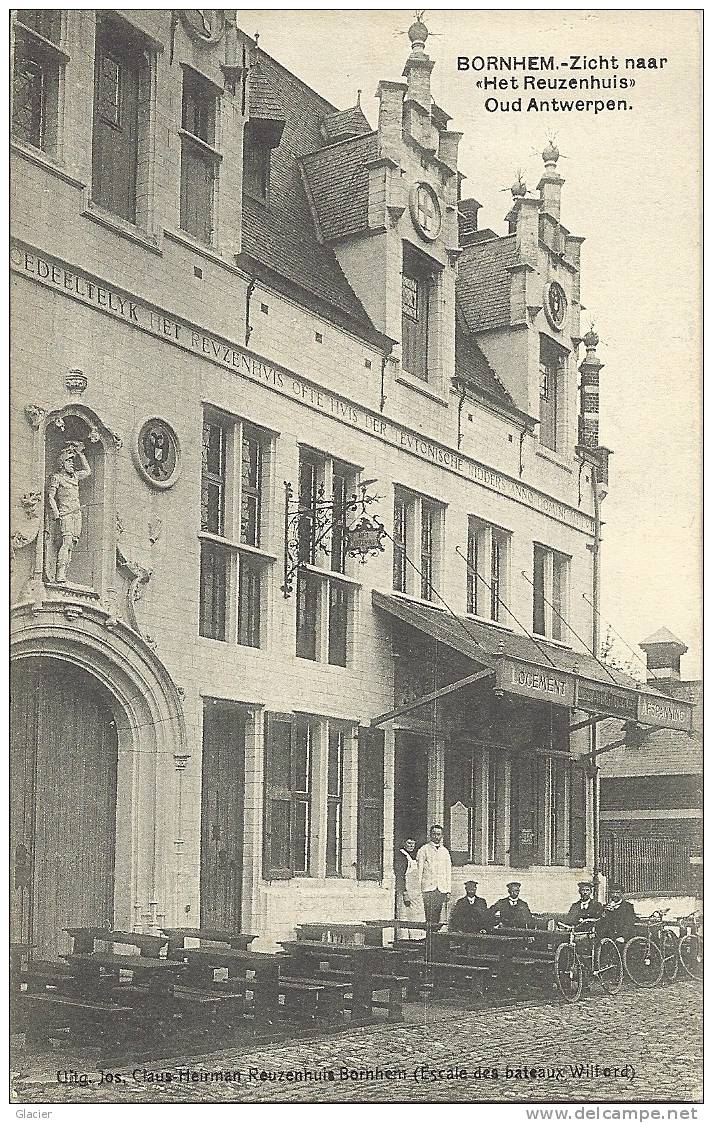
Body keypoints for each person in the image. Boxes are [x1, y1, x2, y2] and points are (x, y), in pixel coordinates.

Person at [47, 442, 91, 584]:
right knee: (66, 543)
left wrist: (80, 453)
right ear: (62, 462)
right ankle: (59, 574)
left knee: (72, 544)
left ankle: (64, 574)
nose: (72, 463)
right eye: (69, 460)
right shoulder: (57, 477)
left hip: (76, 513)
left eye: (73, 461)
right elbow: (50, 496)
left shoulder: (75, 477)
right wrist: (56, 513)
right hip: (65, 512)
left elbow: (87, 471)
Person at [416, 824, 452, 927]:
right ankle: (429, 939)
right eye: (434, 834)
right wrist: (418, 889)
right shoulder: (424, 849)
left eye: (439, 834)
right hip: (428, 888)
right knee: (429, 915)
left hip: (440, 889)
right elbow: (419, 870)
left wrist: (448, 890)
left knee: (437, 915)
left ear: (442, 836)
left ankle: (435, 939)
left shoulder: (445, 851)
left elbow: (448, 871)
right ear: (430, 835)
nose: (436, 837)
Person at [394, 837, 425, 939]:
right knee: (404, 916)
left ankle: (416, 940)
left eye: (413, 843)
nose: (411, 845)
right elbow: (400, 876)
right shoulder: (402, 856)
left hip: (416, 893)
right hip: (406, 893)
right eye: (409, 843)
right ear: (404, 843)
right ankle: (404, 940)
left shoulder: (414, 857)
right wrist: (404, 893)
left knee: (416, 917)